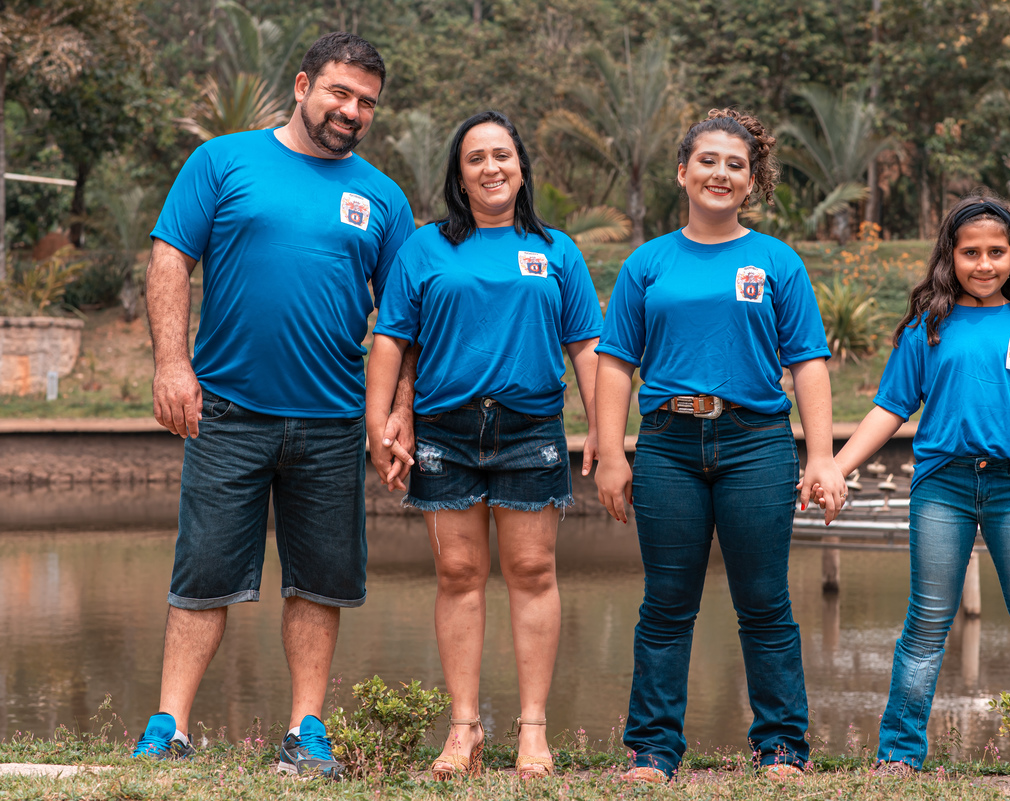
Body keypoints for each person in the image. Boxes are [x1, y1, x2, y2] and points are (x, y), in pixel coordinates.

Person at [134, 32, 416, 780]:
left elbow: (402, 319)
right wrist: (171, 363)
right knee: (202, 573)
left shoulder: (384, 197)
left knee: (318, 578)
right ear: (302, 84)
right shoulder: (223, 161)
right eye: (340, 93)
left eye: (367, 103)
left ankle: (306, 731)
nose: (352, 111)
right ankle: (169, 726)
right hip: (226, 410)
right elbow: (170, 258)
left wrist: (397, 410)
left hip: (330, 422)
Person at [593, 108, 847, 784]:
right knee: (667, 602)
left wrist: (821, 455)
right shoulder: (647, 264)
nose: (720, 173)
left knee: (764, 601)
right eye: (707, 160)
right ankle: (652, 749)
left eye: (736, 164)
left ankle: (782, 747)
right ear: (683, 171)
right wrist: (612, 452)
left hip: (755, 442)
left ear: (751, 180)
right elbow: (615, 361)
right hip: (668, 445)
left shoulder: (776, 262)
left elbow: (809, 362)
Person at [365, 110, 603, 780]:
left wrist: (605, 434)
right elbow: (390, 340)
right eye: (476, 158)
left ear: (522, 167)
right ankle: (464, 728)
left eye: (503, 155)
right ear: (458, 175)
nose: (491, 168)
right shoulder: (425, 248)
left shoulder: (557, 249)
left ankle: (532, 729)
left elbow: (588, 347)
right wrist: (376, 422)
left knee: (532, 574)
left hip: (531, 430)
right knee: (458, 575)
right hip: (444, 432)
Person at [820, 192, 1010, 774]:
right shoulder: (926, 329)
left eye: (996, 251)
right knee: (926, 623)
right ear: (950, 256)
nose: (984, 264)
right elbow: (889, 410)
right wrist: (837, 466)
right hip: (942, 489)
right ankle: (899, 757)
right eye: (971, 252)